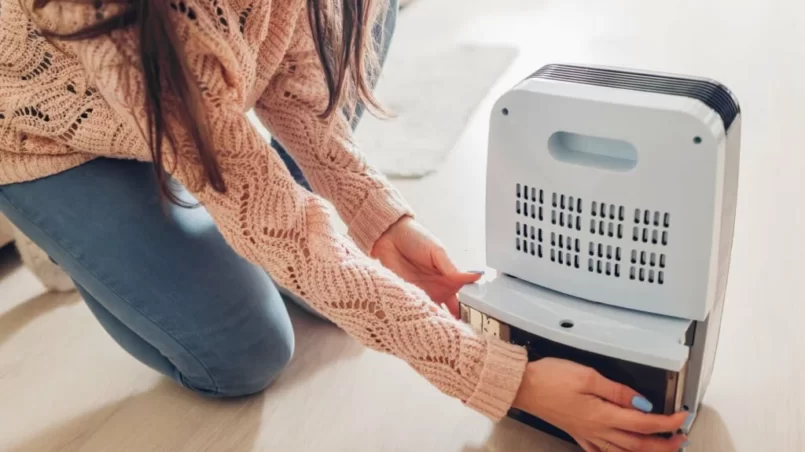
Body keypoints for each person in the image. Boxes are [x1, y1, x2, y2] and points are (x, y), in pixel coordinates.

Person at [0, 1, 690, 451]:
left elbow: (289, 85)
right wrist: (503, 379)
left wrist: (376, 219)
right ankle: (72, 224)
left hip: (179, 93)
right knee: (242, 356)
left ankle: (199, 161)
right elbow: (288, 233)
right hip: (44, 134)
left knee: (310, 259)